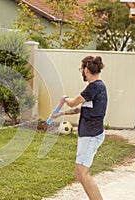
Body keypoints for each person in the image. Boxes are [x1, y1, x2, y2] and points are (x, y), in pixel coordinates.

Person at [53, 56, 107, 200]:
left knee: (82, 173)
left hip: (91, 135)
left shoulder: (94, 87)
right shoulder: (96, 87)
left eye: (81, 69)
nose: (81, 72)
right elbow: (81, 108)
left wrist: (65, 99)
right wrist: (61, 114)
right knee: (79, 174)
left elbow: (73, 103)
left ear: (86, 70)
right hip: (89, 134)